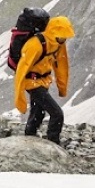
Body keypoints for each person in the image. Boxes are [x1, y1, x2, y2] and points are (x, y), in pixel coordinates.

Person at [13, 15, 74, 144]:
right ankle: (54, 142)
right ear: (53, 33)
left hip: (43, 81)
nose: (64, 39)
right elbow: (21, 70)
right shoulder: (35, 44)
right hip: (32, 82)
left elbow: (62, 66)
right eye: (62, 36)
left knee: (38, 112)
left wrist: (62, 88)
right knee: (57, 113)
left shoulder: (58, 43)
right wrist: (20, 99)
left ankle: (29, 137)